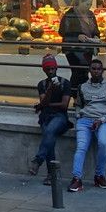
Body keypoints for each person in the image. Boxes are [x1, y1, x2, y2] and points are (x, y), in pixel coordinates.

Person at [68, 59, 106, 193]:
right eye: (93, 68)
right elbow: (78, 105)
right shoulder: (82, 87)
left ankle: (99, 176)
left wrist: (101, 120)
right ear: (89, 70)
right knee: (81, 147)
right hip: (85, 121)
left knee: (103, 143)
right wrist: (79, 115)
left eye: (98, 69)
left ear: (102, 70)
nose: (96, 71)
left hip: (103, 121)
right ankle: (76, 178)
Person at [28, 54, 72, 184]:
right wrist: (49, 91)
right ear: (44, 70)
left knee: (49, 131)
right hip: (46, 116)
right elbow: (44, 102)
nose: (51, 72)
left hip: (60, 117)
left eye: (52, 69)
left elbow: (64, 105)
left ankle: (38, 160)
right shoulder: (42, 84)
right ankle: (51, 174)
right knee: (49, 136)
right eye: (48, 69)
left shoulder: (65, 83)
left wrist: (43, 105)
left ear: (56, 68)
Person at [59, 0, 100, 89]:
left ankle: (82, 93)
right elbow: (62, 31)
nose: (89, 7)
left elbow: (95, 29)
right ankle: (75, 93)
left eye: (90, 5)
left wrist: (96, 36)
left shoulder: (90, 14)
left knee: (85, 71)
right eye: (87, 4)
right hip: (73, 48)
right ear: (80, 3)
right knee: (78, 71)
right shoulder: (70, 14)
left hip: (88, 48)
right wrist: (77, 36)